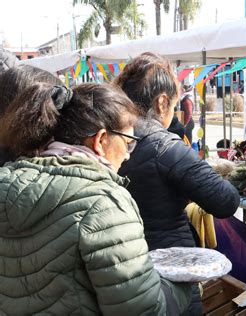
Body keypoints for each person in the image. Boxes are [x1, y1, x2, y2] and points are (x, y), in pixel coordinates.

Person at [0, 67, 190, 315]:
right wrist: (181, 286)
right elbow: (143, 310)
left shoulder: (6, 179)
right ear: (101, 140)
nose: (127, 155)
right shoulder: (104, 204)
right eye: (128, 143)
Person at [114, 52, 240, 315]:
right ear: (161, 102)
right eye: (174, 104)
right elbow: (226, 200)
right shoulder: (164, 146)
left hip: (121, 270)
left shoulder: (107, 139)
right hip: (169, 272)